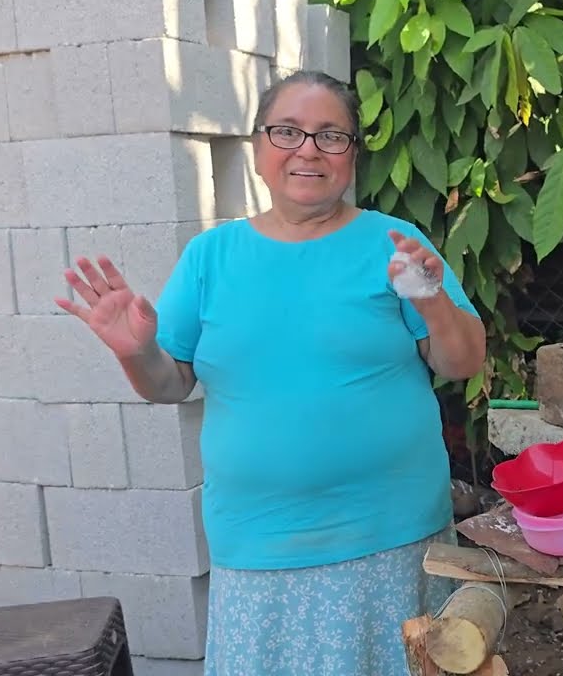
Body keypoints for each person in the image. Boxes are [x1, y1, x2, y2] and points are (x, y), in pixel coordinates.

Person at [56, 70, 486, 676]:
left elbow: (462, 361)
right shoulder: (211, 256)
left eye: (331, 135)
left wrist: (432, 299)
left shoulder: (394, 244)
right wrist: (134, 350)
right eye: (287, 131)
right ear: (259, 149)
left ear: (352, 155)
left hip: (394, 540)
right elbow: (170, 382)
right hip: (260, 550)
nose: (308, 149)